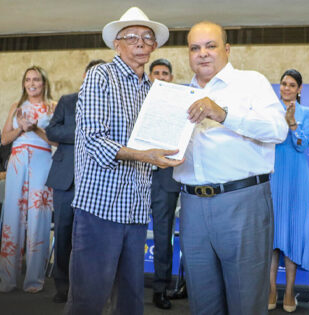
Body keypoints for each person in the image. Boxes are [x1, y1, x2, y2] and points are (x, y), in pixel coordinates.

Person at [65, 7, 183, 315]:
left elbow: (161, 144)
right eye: (131, 36)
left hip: (136, 210)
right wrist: (144, 155)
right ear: (116, 44)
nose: (140, 42)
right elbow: (92, 139)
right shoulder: (99, 77)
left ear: (154, 46)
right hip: (100, 208)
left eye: (147, 37)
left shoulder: (154, 92)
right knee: (88, 299)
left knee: (131, 302)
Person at [173, 21, 288, 315]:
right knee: (202, 302)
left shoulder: (251, 83)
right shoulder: (178, 95)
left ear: (226, 49)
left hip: (242, 203)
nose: (203, 54)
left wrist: (223, 114)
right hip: (191, 206)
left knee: (245, 302)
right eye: (195, 48)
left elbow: (278, 130)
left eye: (210, 46)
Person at [44, 59, 105, 303]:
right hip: (65, 181)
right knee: (63, 233)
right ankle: (62, 286)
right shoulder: (67, 101)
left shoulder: (107, 104)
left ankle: (91, 287)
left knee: (94, 236)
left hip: (97, 181)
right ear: (84, 75)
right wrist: (82, 135)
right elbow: (52, 131)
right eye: (91, 74)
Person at [0, 65, 56, 293]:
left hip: (42, 160)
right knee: (12, 216)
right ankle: (8, 279)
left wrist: (36, 129)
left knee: (38, 217)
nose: (32, 84)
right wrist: (22, 129)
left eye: (36, 80)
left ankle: (34, 280)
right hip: (18, 159)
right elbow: (4, 139)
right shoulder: (16, 106)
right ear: (24, 83)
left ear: (44, 83)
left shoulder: (53, 105)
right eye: (28, 80)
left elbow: (57, 141)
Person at [269, 69, 309, 313]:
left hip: (297, 176)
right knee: (272, 233)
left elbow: (302, 146)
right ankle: (270, 289)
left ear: (300, 89)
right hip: (273, 174)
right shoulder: (270, 110)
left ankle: (288, 291)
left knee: (293, 232)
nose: (286, 88)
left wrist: (293, 124)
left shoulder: (307, 113)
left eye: (292, 84)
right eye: (283, 84)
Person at [148, 58, 182, 310]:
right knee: (125, 235)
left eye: (165, 73)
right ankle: (120, 285)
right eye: (156, 72)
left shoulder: (178, 106)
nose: (160, 76)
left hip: (164, 178)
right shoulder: (134, 101)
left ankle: (160, 289)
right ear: (150, 77)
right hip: (132, 176)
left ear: (171, 78)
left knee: (162, 236)